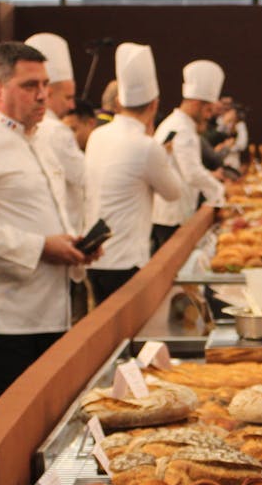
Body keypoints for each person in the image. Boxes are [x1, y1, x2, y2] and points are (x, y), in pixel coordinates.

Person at [0, 41, 90, 417]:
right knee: (5, 436)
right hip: (1, 323)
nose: (42, 96)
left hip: (48, 310)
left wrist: (75, 244)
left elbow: (43, 211)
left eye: (45, 84)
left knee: (45, 426)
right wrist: (42, 247)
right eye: (29, 86)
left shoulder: (37, 139)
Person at [84, 43, 183, 302]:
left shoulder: (97, 135)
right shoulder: (146, 146)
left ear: (118, 102)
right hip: (126, 261)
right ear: (155, 104)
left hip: (95, 257)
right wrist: (165, 155)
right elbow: (173, 193)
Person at [153, 59, 227, 248]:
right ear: (196, 104)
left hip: (172, 212)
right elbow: (192, 172)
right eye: (208, 109)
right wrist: (218, 192)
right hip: (171, 216)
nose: (209, 116)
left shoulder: (178, 124)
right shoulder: (182, 128)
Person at [27, 33, 88, 235]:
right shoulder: (57, 130)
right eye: (68, 97)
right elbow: (85, 176)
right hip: (61, 230)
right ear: (48, 93)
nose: (72, 105)